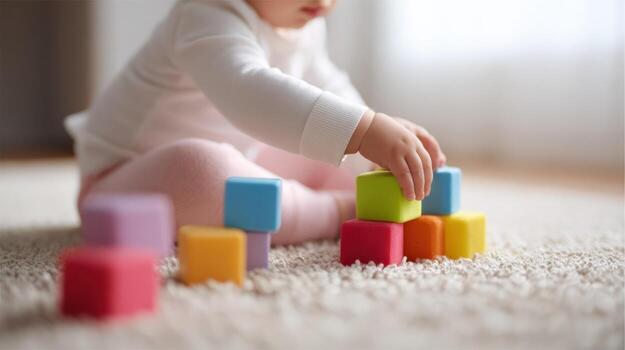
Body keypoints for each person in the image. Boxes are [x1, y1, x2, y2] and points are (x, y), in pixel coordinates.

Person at [65, 0, 446, 245]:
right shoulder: (203, 15)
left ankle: (367, 193)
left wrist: (375, 150)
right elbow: (246, 90)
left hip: (239, 149)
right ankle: (334, 213)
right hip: (121, 180)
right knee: (202, 169)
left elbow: (330, 87)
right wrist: (361, 129)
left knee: (325, 152)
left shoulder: (304, 22)